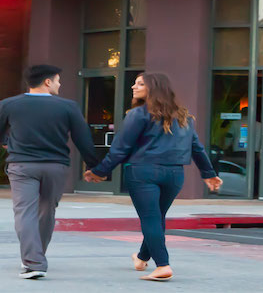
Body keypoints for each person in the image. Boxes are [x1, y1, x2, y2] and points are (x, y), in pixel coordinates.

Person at [84, 72, 223, 282]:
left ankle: (163, 265)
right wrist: (209, 174)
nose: (134, 86)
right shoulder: (183, 116)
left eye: (140, 83)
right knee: (156, 218)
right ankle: (141, 258)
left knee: (150, 218)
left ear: (153, 88)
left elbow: (120, 149)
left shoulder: (138, 114)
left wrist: (100, 171)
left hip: (143, 172)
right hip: (174, 174)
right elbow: (197, 148)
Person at [0, 64, 99, 280]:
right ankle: (35, 258)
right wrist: (95, 166)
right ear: (47, 82)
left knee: (25, 212)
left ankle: (33, 261)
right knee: (46, 211)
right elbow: (83, 139)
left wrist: (8, 143)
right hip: (55, 167)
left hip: (22, 166)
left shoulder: (9, 104)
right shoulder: (69, 107)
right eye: (58, 80)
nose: (60, 84)